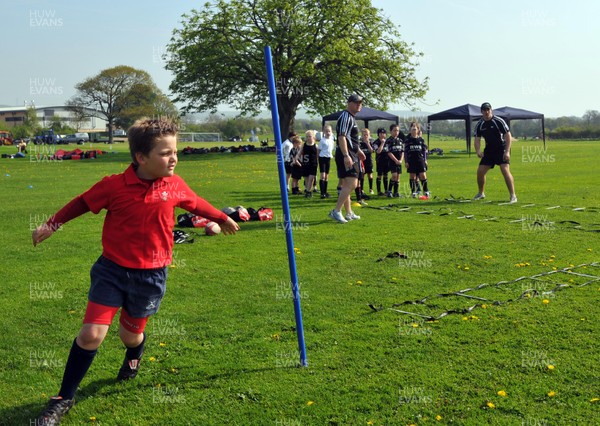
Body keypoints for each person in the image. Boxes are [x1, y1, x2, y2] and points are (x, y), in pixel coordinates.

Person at [31, 117, 240, 425]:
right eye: (166, 153)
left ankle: (134, 355)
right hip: (111, 271)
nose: (174, 158)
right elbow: (81, 203)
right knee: (91, 335)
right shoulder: (113, 186)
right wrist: (51, 224)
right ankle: (62, 398)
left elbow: (195, 204)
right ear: (141, 157)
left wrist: (221, 217)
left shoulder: (175, 186)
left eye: (174, 151)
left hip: (151, 276)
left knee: (130, 335)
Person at [329, 94, 365, 223]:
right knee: (352, 183)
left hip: (351, 153)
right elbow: (342, 137)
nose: (359, 104)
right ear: (349, 103)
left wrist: (359, 151)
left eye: (360, 103)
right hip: (346, 153)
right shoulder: (345, 116)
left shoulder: (351, 117)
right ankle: (336, 211)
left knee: (347, 184)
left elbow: (351, 139)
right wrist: (346, 155)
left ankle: (349, 212)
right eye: (356, 102)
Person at [473, 102, 517, 203]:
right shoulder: (480, 124)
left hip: (501, 149)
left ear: (491, 110)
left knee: (505, 170)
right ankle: (481, 193)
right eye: (484, 110)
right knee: (480, 171)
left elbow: (508, 136)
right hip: (489, 150)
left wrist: (507, 151)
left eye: (488, 109)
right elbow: (477, 139)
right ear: (481, 111)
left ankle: (513, 195)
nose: (486, 112)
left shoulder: (498, 121)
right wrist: (478, 151)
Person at [404, 121, 430, 198]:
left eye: (415, 129)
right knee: (412, 176)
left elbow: (424, 151)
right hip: (411, 160)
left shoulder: (421, 140)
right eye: (412, 129)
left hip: (420, 160)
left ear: (418, 130)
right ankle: (413, 192)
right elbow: (405, 152)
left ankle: (426, 191)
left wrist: (425, 160)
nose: (414, 131)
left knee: (423, 175)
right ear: (410, 130)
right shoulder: (408, 141)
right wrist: (406, 162)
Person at [385, 123, 405, 198]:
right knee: (394, 175)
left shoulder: (400, 140)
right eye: (394, 130)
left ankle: (396, 192)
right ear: (391, 131)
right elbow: (389, 152)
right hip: (392, 161)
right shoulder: (389, 140)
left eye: (398, 131)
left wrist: (401, 160)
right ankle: (389, 191)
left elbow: (402, 151)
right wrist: (396, 160)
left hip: (399, 161)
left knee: (398, 177)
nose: (396, 132)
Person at [298, 130, 318, 198]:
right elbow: (299, 153)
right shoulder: (304, 145)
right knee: (306, 178)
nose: (308, 138)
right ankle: (307, 190)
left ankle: (309, 191)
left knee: (311, 178)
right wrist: (296, 158)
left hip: (313, 164)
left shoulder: (316, 146)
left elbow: (318, 155)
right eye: (307, 136)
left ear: (313, 137)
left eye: (310, 136)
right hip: (305, 164)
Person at [318, 124, 335, 198]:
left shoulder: (331, 140)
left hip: (328, 158)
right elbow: (319, 150)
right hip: (322, 158)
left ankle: (325, 191)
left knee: (327, 176)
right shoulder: (322, 140)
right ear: (324, 132)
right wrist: (317, 158)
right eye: (326, 131)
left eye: (329, 131)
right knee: (323, 175)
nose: (328, 132)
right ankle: (322, 193)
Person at [372, 127, 389, 196]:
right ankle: (379, 191)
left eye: (384, 133)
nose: (382, 135)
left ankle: (386, 190)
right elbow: (378, 151)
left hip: (387, 160)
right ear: (378, 134)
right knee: (379, 175)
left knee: (386, 175)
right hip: (380, 161)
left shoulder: (387, 141)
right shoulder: (376, 142)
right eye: (381, 133)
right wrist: (382, 143)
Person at [358, 128, 375, 199]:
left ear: (369, 135)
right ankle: (361, 189)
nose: (365, 136)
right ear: (362, 135)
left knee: (370, 175)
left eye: (367, 135)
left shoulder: (371, 142)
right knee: (362, 175)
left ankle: (371, 189)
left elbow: (372, 151)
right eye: (364, 135)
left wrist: (367, 143)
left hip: (369, 161)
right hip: (362, 161)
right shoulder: (360, 143)